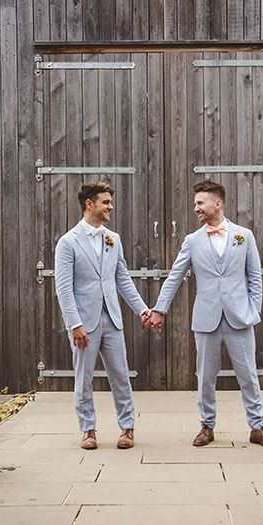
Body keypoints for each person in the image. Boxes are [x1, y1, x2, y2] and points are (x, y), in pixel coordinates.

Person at [145, 179, 263, 448]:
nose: (196, 208)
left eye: (199, 203)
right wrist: (160, 309)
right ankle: (207, 426)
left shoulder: (245, 235)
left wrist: (253, 310)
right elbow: (174, 277)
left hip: (240, 318)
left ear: (217, 203)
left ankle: (257, 427)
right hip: (206, 319)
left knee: (248, 375)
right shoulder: (192, 241)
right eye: (195, 203)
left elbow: (255, 277)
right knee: (205, 376)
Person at [54, 181, 151, 450]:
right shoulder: (67, 242)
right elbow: (63, 288)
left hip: (113, 319)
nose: (111, 206)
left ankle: (127, 428)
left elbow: (123, 279)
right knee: (83, 378)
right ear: (90, 204)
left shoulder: (113, 239)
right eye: (106, 202)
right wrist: (75, 324)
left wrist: (142, 309)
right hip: (84, 323)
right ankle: (88, 430)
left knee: (120, 375)